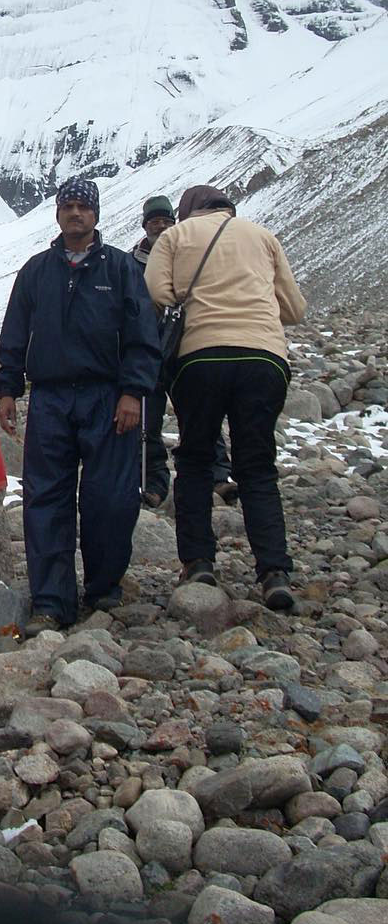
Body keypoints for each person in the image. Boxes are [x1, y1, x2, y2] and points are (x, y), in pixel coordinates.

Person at [0, 177, 161, 632]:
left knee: (109, 498)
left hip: (108, 398)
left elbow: (143, 338)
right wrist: (8, 388)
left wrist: (133, 391)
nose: (75, 213)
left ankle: (104, 587)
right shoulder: (36, 271)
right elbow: (14, 332)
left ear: (96, 214)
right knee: (45, 498)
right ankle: (51, 601)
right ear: (57, 213)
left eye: (83, 207)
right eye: (67, 206)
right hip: (49, 398)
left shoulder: (124, 270)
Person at [144, 184, 306, 610]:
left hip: (200, 358)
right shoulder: (262, 236)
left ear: (187, 211)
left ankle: (199, 563)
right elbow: (294, 309)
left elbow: (156, 293)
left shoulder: (175, 237)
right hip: (264, 360)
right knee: (257, 465)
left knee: (196, 458)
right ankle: (274, 572)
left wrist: (193, 302)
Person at [131, 195, 236, 508]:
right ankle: (153, 484)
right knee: (148, 421)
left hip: (185, 347)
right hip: (149, 351)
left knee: (200, 414)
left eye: (165, 221)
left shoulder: (187, 257)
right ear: (145, 225)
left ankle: (219, 477)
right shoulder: (130, 262)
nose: (160, 226)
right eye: (154, 222)